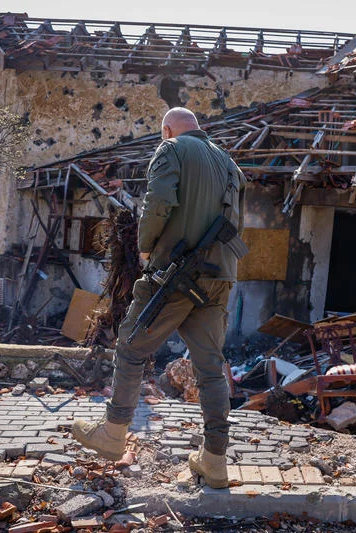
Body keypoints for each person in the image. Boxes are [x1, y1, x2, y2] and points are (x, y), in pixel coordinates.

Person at [71, 107, 246, 489]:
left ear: (167, 129)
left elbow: (159, 201)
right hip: (219, 278)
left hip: (175, 276)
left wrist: (146, 247)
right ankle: (215, 459)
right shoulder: (231, 165)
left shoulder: (172, 149)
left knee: (131, 349)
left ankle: (113, 434)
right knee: (211, 369)